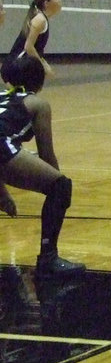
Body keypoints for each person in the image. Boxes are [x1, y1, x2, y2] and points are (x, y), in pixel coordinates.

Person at [0, 55, 85, 276]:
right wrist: (60, 189)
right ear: (39, 81)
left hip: (2, 148)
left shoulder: (2, 97)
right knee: (61, 186)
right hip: (1, 147)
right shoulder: (38, 104)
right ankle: (48, 257)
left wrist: (2, 193)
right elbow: (47, 155)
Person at [1, 0, 63, 82]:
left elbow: (35, 48)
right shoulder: (40, 20)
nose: (60, 0)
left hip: (18, 65)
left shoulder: (41, 18)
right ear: (46, 4)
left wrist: (44, 63)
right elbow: (28, 47)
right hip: (14, 67)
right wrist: (43, 67)